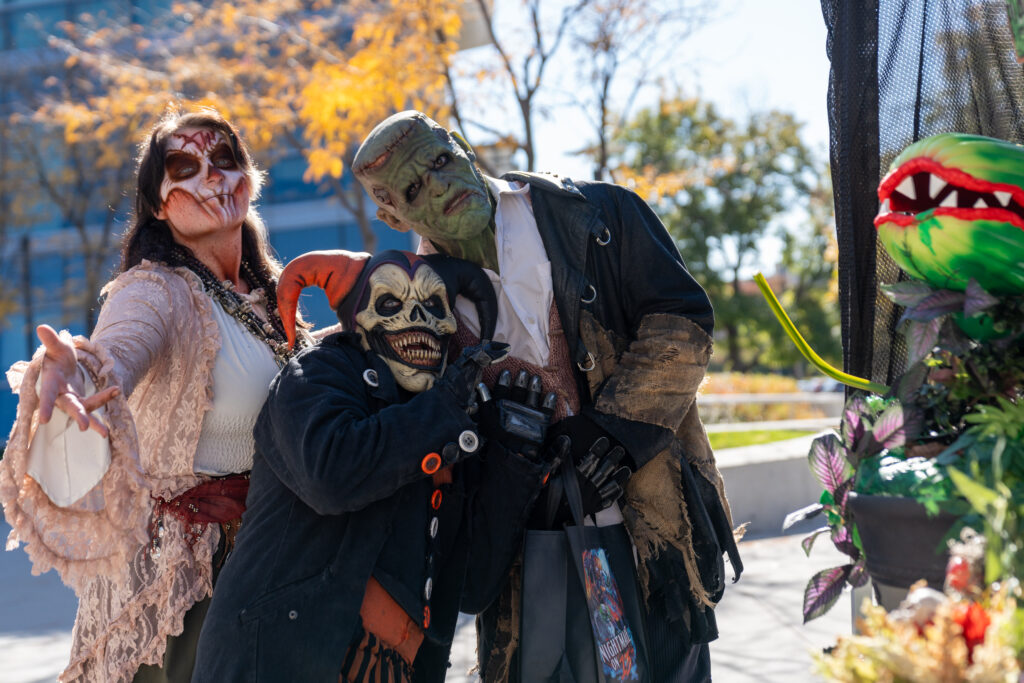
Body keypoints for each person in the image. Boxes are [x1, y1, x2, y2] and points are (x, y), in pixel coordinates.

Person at [352, 110, 744, 682]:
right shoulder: (415, 312)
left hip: (652, 532)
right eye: (414, 188)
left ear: (461, 145)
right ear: (393, 215)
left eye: (441, 161)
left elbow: (682, 324)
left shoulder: (599, 214)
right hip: (524, 573)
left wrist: (611, 431)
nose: (441, 185)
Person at [0, 108, 296, 682]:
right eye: (185, 167)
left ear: (251, 176)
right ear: (160, 204)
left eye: (225, 159)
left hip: (273, 561)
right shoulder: (154, 289)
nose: (212, 176)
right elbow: (118, 349)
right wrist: (76, 372)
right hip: (186, 589)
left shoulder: (268, 292)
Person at [192, 249, 558, 682]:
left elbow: (472, 585)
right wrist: (443, 408)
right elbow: (332, 476)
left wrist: (512, 458)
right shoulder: (315, 376)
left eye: (434, 307)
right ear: (358, 319)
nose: (418, 319)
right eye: (390, 303)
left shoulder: (445, 416)